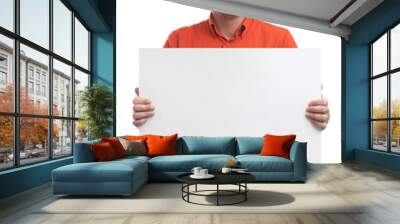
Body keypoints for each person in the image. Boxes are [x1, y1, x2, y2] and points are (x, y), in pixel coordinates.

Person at [133, 11, 330, 129]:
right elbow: (162, 109)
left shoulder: (281, 39)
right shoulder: (178, 39)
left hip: (260, 152)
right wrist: (146, 112)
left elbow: (297, 102)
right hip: (194, 154)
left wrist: (316, 114)